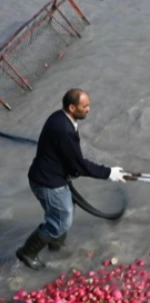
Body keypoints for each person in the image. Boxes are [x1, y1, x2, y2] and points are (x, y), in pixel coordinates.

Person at [17, 88, 134, 270]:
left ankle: (54, 244)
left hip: (50, 177)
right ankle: (27, 253)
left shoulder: (60, 118)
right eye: (85, 106)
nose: (89, 109)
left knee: (64, 212)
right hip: (49, 183)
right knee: (61, 220)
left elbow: (71, 162)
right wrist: (109, 173)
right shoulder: (64, 130)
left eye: (89, 105)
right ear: (72, 107)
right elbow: (78, 164)